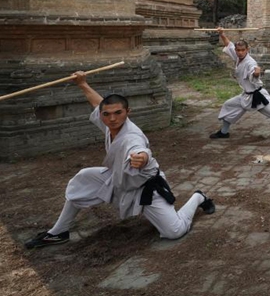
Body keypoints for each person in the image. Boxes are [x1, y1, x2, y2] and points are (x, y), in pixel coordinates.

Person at [24, 72, 215, 249]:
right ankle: (58, 232)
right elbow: (97, 103)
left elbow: (141, 149)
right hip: (119, 179)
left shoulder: (132, 136)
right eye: (106, 114)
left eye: (118, 113)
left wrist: (142, 158)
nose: (112, 118)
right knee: (83, 180)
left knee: (175, 231)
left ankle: (198, 197)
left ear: (127, 112)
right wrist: (82, 84)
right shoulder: (110, 124)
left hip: (145, 187)